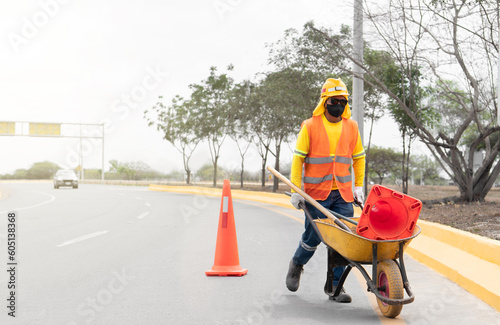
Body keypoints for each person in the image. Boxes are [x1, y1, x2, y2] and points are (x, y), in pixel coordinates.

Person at [286, 78, 366, 303]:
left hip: (342, 194)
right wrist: (296, 190)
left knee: (343, 240)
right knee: (313, 238)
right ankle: (297, 264)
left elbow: (358, 158)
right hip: (316, 194)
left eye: (343, 100)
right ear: (325, 101)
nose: (339, 104)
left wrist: (358, 186)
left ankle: (335, 286)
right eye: (334, 100)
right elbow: (298, 159)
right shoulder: (310, 126)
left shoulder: (352, 126)